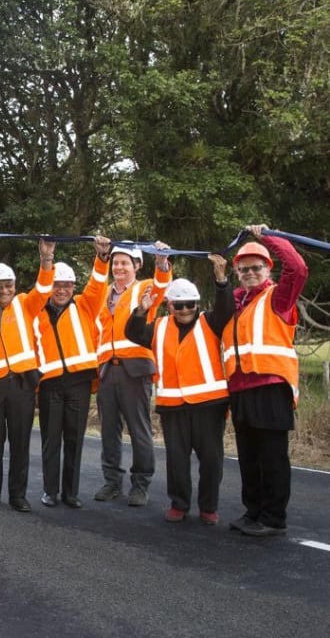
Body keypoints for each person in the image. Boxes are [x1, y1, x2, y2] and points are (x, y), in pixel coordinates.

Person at [124, 256, 233, 525]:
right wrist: (141, 310)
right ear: (170, 305)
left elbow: (226, 308)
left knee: (211, 459)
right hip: (173, 406)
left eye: (190, 305)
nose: (185, 310)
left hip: (210, 404)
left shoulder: (210, 322)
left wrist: (221, 281)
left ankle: (208, 507)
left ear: (197, 304)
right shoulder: (159, 326)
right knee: (177, 459)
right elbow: (132, 333)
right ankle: (179, 504)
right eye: (179, 305)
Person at [222, 224, 308, 537]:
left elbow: (297, 268)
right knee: (248, 458)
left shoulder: (278, 298)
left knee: (272, 457)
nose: (249, 273)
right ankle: (253, 512)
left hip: (271, 387)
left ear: (267, 268)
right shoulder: (234, 305)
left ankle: (273, 518)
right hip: (241, 391)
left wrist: (268, 238)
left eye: (256, 268)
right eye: (243, 269)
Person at [0, 237, 56, 512]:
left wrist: (46, 259)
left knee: (20, 442)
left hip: (21, 386)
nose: (4, 290)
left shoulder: (26, 305)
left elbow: (44, 287)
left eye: (9, 285)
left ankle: (18, 495)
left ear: (14, 287)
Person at [31, 237, 110, 509]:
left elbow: (98, 284)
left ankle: (70, 492)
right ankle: (49, 491)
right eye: (57, 285)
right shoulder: (36, 312)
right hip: (50, 385)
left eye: (67, 285)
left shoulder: (85, 306)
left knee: (74, 439)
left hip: (79, 383)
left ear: (73, 287)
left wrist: (101, 258)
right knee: (51, 440)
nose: (62, 290)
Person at [93, 240, 173, 507]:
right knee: (108, 430)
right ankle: (112, 481)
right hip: (107, 370)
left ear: (137, 266)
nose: (119, 267)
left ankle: (140, 485)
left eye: (125, 263)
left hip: (135, 369)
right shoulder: (104, 294)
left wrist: (162, 262)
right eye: (115, 263)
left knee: (139, 429)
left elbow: (162, 285)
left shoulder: (144, 287)